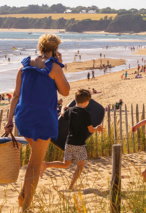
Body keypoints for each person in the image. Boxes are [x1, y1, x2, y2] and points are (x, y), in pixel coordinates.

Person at [4, 34, 70, 212]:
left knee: (35, 159)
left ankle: (24, 194)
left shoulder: (24, 64)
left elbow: (15, 95)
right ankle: (26, 206)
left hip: (23, 117)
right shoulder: (54, 67)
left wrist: (9, 121)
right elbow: (65, 91)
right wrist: (61, 66)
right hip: (43, 119)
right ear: (55, 49)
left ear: (40, 47)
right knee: (35, 163)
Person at [40, 89, 104, 189]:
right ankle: (71, 186)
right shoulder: (86, 114)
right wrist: (98, 128)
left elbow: (61, 115)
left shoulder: (70, 111)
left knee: (65, 164)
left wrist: (62, 109)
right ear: (87, 102)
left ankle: (46, 164)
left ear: (76, 100)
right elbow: (91, 130)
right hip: (79, 144)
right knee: (80, 166)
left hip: (68, 143)